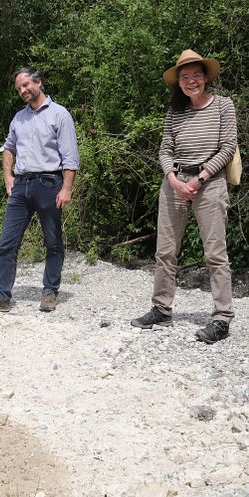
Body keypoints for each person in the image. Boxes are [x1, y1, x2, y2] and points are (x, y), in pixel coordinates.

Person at [131, 50, 237, 344]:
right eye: (185, 77)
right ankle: (161, 308)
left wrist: (200, 178)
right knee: (165, 251)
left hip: (210, 184)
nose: (191, 81)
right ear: (179, 83)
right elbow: (165, 150)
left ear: (205, 77)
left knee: (215, 253)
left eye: (196, 75)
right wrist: (174, 180)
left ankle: (222, 318)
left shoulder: (224, 107)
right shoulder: (174, 113)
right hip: (175, 183)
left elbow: (228, 148)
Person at [0, 68, 79, 313]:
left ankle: (50, 292)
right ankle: (1, 295)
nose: (22, 90)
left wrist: (66, 188)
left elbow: (70, 156)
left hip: (49, 184)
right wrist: (7, 176)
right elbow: (8, 147)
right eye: (19, 88)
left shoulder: (59, 114)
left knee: (52, 242)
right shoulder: (18, 118)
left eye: (26, 85)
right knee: (7, 242)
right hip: (20, 186)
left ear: (38, 83)